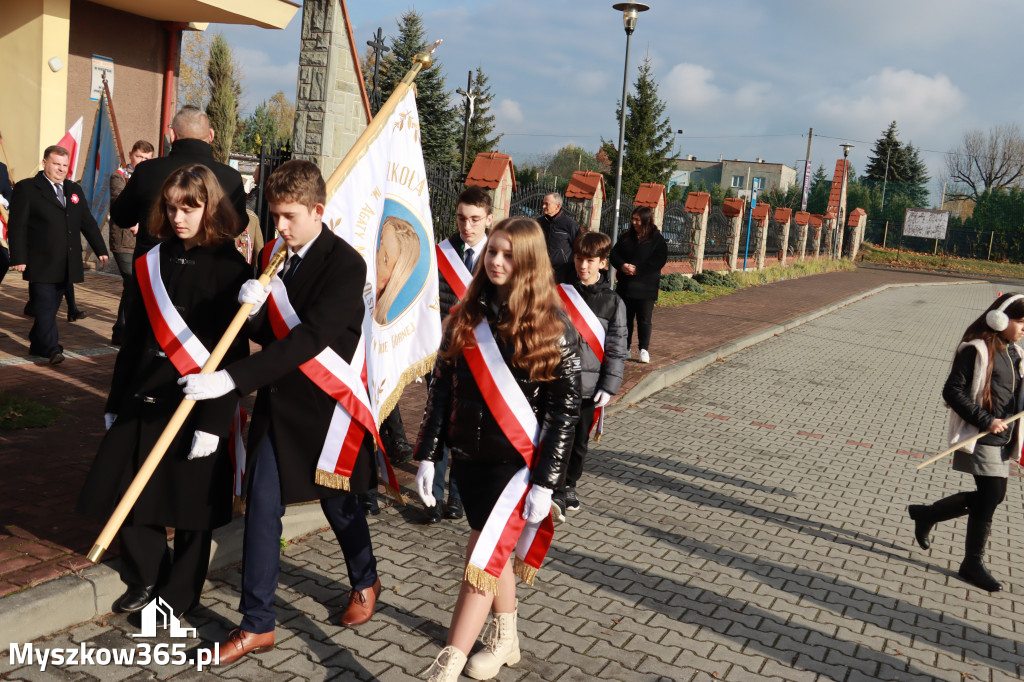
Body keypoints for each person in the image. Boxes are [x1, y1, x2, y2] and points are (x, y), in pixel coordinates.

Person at [180, 160, 383, 665]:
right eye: (274, 217)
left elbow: (311, 339)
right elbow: (271, 336)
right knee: (262, 509)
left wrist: (231, 380)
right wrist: (246, 309)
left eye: (290, 216)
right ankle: (257, 624)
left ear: (318, 210)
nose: (281, 228)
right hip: (278, 404)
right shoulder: (275, 256)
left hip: (326, 411)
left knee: (340, 507)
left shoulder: (346, 264)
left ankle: (365, 577)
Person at [76, 164, 250, 620]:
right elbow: (133, 338)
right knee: (129, 487)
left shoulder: (231, 267)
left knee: (192, 505)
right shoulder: (151, 258)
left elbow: (230, 355)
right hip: (144, 394)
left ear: (210, 207)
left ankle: (177, 595)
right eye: (171, 208)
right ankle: (147, 573)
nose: (178, 217)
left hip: (197, 402)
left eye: (189, 209)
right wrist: (116, 401)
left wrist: (215, 424)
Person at [415, 217, 581, 681]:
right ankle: (507, 637)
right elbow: (441, 390)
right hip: (469, 462)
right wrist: (428, 452)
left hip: (516, 469)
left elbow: (563, 416)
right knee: (496, 552)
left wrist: (547, 484)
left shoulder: (554, 329)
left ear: (528, 262)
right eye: (492, 251)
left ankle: (447, 662)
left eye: (508, 254)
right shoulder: (467, 314)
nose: (496, 261)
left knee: (482, 557)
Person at [908, 293, 1024, 593]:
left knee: (992, 497)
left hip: (1004, 436)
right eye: (1021, 322)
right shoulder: (977, 350)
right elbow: (952, 391)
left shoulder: (1014, 352)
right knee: (991, 497)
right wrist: (986, 420)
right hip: (981, 435)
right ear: (1000, 319)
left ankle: (927, 514)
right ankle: (971, 563)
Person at [428, 185, 495, 523]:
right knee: (438, 419)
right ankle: (433, 495)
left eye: (474, 219)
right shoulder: (440, 253)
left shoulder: (497, 259)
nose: (466, 226)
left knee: (464, 427)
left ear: (489, 219)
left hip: (481, 357)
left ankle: (457, 495)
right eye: (461, 218)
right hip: (443, 352)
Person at [7, 145, 108, 364]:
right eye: (56, 164)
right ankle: (52, 349)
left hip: (67, 262)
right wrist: (19, 257)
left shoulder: (73, 189)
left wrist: (100, 249)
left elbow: (87, 221)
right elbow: (17, 226)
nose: (61, 169)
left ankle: (37, 341)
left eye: (65, 165)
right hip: (40, 261)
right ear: (45, 163)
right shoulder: (28, 188)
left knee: (51, 308)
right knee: (44, 306)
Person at [551, 231, 627, 521]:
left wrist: (609, 385)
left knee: (579, 441)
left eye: (590, 261)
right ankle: (552, 486)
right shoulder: (559, 293)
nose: (583, 266)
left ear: (603, 263)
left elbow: (617, 347)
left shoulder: (613, 302)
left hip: (589, 386)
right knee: (556, 436)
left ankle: (570, 484)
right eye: (579, 259)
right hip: (557, 382)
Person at [112, 105, 247, 263]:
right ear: (211, 135)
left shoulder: (146, 171)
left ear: (173, 134)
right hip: (208, 271)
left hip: (154, 269)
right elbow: (237, 226)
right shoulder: (231, 178)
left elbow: (121, 217)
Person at [108, 140, 155, 345]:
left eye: (147, 158)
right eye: (139, 157)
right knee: (131, 281)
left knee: (131, 286)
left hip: (143, 240)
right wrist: (136, 220)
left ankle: (120, 330)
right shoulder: (119, 176)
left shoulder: (148, 178)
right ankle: (127, 331)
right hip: (123, 240)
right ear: (130, 155)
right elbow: (119, 200)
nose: (143, 161)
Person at [609, 205, 667, 364]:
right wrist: (622, 266)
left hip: (646, 288)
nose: (634, 222)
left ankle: (643, 349)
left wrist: (638, 270)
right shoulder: (626, 237)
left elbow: (659, 260)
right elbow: (614, 254)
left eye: (637, 220)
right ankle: (625, 348)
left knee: (644, 319)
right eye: (633, 219)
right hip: (625, 287)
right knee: (625, 319)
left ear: (646, 220)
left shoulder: (657, 239)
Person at [374, 215, 420, 324]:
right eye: (380, 244)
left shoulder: (384, 327)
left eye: (385, 259)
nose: (377, 257)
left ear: (397, 274)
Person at [538, 193, 580, 284]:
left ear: (558, 206)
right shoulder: (539, 222)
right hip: (541, 270)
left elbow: (578, 247)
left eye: (547, 204)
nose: (543, 206)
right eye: (543, 203)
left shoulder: (569, 224)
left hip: (563, 273)